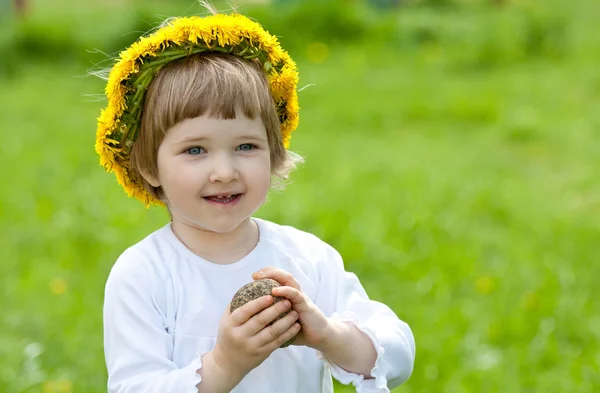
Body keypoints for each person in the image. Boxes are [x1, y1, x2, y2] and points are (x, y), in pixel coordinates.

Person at [96, 7, 415, 393]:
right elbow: (135, 387)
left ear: (273, 152)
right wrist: (224, 365)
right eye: (195, 150)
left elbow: (396, 354)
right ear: (149, 166)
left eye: (246, 146)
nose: (224, 171)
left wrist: (328, 335)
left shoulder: (306, 259)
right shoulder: (143, 275)